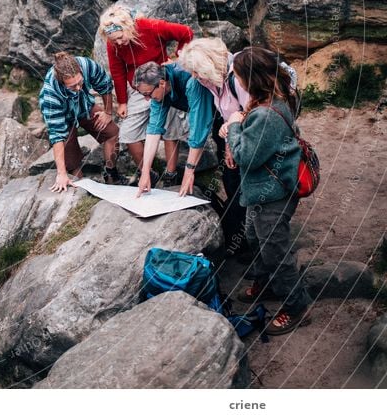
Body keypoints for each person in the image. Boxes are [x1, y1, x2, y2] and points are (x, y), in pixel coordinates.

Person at [220, 47, 312, 335]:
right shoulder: (267, 101)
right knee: (253, 236)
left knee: (275, 251)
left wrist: (234, 127)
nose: (234, 81)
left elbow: (248, 156)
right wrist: (237, 128)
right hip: (261, 190)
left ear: (251, 78)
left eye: (236, 76)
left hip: (273, 194)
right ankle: (266, 283)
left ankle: (296, 306)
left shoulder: (267, 114)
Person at [98, 4, 194, 187]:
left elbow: (186, 33)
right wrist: (123, 101)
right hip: (136, 88)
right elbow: (117, 71)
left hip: (161, 82)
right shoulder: (114, 43)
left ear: (128, 27)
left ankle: (171, 174)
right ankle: (146, 172)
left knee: (170, 130)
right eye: (113, 40)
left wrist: (178, 60)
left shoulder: (151, 27)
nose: (118, 43)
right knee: (129, 133)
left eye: (120, 38)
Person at [177, 38, 249, 256]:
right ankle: (240, 242)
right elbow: (228, 115)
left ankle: (247, 246)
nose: (194, 77)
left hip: (252, 143)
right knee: (231, 183)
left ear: (207, 65)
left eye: (196, 72)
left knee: (243, 194)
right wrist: (228, 146)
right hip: (235, 141)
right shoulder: (212, 81)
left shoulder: (239, 76)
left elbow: (254, 113)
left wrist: (234, 135)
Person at [38, 51, 122, 193]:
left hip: (84, 106)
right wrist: (61, 173)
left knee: (112, 133)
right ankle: (81, 189)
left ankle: (110, 174)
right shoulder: (50, 94)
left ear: (80, 71)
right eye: (72, 86)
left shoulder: (87, 65)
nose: (78, 88)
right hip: (63, 116)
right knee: (71, 160)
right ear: (61, 82)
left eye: (80, 83)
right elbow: (57, 134)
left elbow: (105, 85)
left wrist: (108, 112)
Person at [132, 62, 214, 198]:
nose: (147, 99)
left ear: (162, 83)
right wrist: (145, 171)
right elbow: (153, 130)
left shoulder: (190, 80)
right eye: (143, 95)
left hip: (224, 111)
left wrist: (189, 172)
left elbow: (198, 129)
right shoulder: (158, 93)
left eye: (148, 94)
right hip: (205, 109)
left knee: (232, 168)